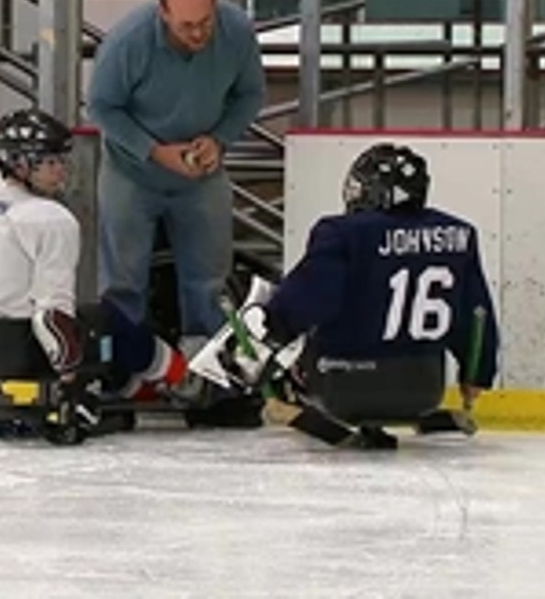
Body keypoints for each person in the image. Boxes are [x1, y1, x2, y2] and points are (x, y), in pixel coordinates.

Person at [0, 109, 249, 437]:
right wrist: (73, 388)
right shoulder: (50, 218)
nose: (62, 171)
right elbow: (52, 314)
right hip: (24, 351)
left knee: (99, 327)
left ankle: (134, 387)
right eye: (51, 163)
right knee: (111, 318)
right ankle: (188, 381)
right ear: (21, 164)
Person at [209, 143, 501, 447]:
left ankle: (287, 397)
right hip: (424, 387)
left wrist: (260, 342)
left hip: (342, 385)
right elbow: (475, 313)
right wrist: (477, 374)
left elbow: (306, 301)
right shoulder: (459, 234)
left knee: (289, 319)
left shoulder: (343, 233)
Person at [87, 0, 266, 362]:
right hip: (131, 174)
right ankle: (123, 365)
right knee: (123, 280)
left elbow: (250, 95)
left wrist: (220, 139)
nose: (199, 34)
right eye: (187, 26)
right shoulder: (128, 42)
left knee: (209, 279)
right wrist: (153, 151)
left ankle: (207, 365)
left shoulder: (237, 31)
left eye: (206, 23)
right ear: (163, 13)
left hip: (202, 177)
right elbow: (100, 107)